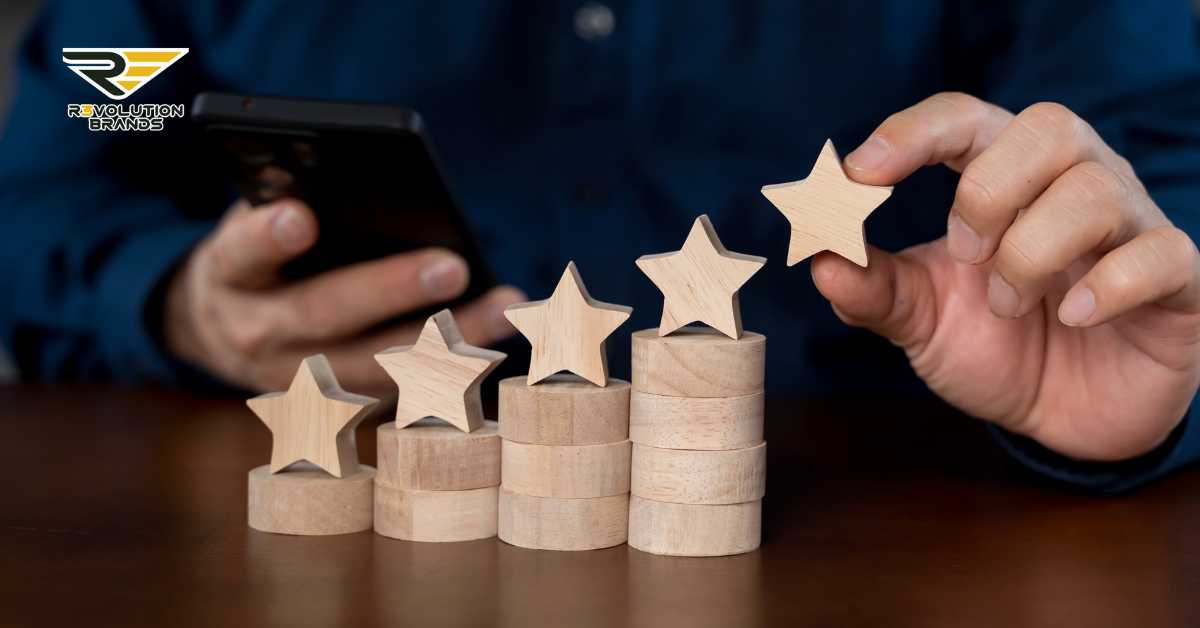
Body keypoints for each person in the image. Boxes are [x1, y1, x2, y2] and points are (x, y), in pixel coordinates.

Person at [0, 1, 1197, 493]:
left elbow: (1153, 168)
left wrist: (1138, 342)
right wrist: (169, 299)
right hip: (360, 498)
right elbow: (72, 151)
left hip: (896, 516)